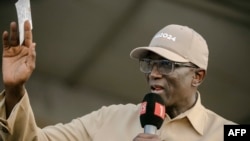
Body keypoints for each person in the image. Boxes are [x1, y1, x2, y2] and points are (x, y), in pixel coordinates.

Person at [0, 20, 236, 141]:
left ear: (198, 76)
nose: (153, 73)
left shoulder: (229, 133)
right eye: (149, 63)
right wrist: (15, 90)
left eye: (166, 64)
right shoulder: (109, 118)